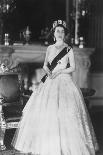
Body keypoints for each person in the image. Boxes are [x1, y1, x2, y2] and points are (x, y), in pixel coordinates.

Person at [12, 20, 98, 155]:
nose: (60, 33)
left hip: (64, 80)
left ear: (65, 34)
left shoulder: (68, 49)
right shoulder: (50, 48)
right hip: (50, 80)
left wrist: (59, 71)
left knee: (66, 112)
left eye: (62, 31)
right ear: (54, 33)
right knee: (47, 110)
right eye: (58, 31)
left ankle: (67, 145)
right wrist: (49, 71)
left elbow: (73, 67)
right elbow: (45, 65)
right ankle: (48, 144)